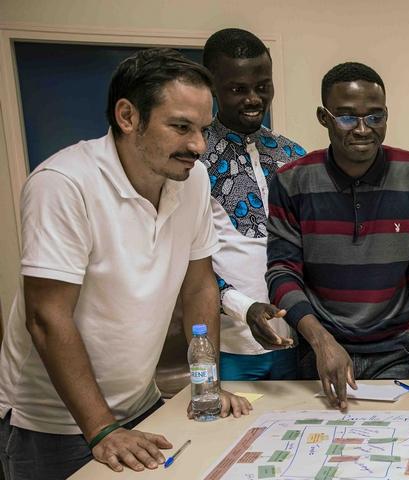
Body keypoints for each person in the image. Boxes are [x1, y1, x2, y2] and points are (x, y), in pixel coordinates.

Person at [0, 48, 252, 479]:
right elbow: (46, 317)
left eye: (203, 130)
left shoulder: (192, 181)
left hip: (142, 405)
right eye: (180, 127)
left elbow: (199, 287)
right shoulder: (63, 184)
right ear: (128, 116)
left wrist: (205, 386)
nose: (197, 145)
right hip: (55, 425)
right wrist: (102, 430)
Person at [265, 62, 409, 411]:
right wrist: (322, 342)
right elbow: (282, 273)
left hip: (393, 351)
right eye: (347, 117)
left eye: (375, 117)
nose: (364, 129)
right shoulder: (291, 181)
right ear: (324, 117)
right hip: (319, 351)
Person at [199, 28, 306, 381]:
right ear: (212, 86)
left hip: (299, 337)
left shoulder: (293, 156)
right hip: (232, 346)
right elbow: (185, 264)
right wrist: (241, 308)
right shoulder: (194, 161)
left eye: (263, 86)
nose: (253, 99)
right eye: (237, 89)